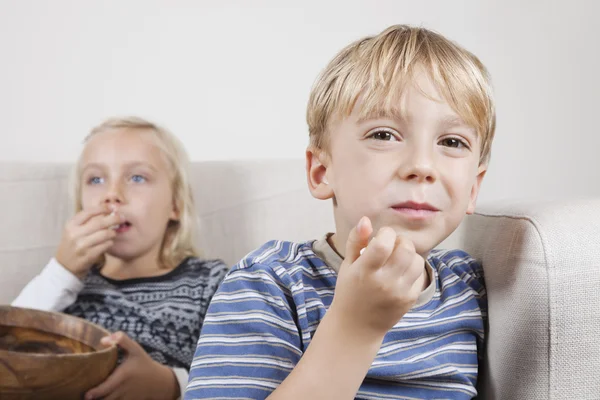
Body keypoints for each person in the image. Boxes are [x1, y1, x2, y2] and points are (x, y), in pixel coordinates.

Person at [185, 24, 495, 399]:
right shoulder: (270, 284)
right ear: (321, 172)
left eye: (451, 141)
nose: (422, 165)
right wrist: (355, 326)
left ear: (473, 187)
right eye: (384, 134)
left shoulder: (470, 289)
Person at [13, 117, 228, 400]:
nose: (112, 195)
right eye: (96, 180)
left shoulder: (210, 282)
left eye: (137, 177)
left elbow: (235, 374)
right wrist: (61, 272)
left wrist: (170, 385)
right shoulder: (63, 285)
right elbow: (10, 345)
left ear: (175, 204)